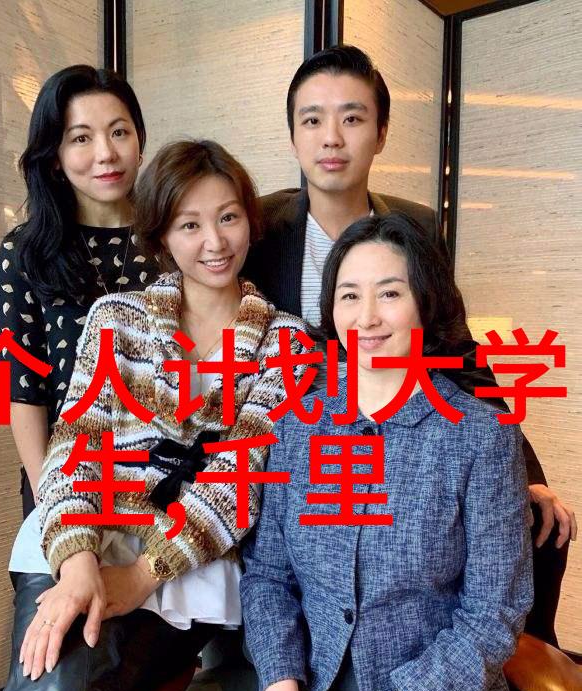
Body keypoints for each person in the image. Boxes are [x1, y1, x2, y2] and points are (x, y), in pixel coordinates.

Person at [0, 138, 308, 691]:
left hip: (184, 570)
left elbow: (242, 480)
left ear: (251, 222)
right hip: (78, 537)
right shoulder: (117, 318)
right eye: (190, 224)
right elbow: (75, 446)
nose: (213, 241)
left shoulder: (286, 344)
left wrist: (141, 574)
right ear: (161, 235)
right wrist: (79, 564)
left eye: (227, 217)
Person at [244, 43, 575, 651]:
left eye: (352, 117)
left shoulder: (415, 227)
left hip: (407, 441)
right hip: (299, 444)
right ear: (293, 136)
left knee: (539, 521)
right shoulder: (259, 230)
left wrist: (521, 473)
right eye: (312, 120)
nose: (331, 137)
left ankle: (511, 660)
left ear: (381, 132)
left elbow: (458, 353)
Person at [213, 212, 534, 691]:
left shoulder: (481, 437)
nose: (367, 317)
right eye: (349, 296)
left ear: (424, 305)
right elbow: (269, 578)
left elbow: (493, 614)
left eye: (389, 293)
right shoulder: (299, 426)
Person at [0, 64, 162, 691]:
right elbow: (24, 397)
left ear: (140, 138)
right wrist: (65, 528)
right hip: (64, 490)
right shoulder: (27, 252)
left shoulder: (170, 238)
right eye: (81, 137)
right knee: (50, 683)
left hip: (159, 500)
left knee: (82, 677)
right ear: (53, 155)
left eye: (118, 131)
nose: (105, 152)